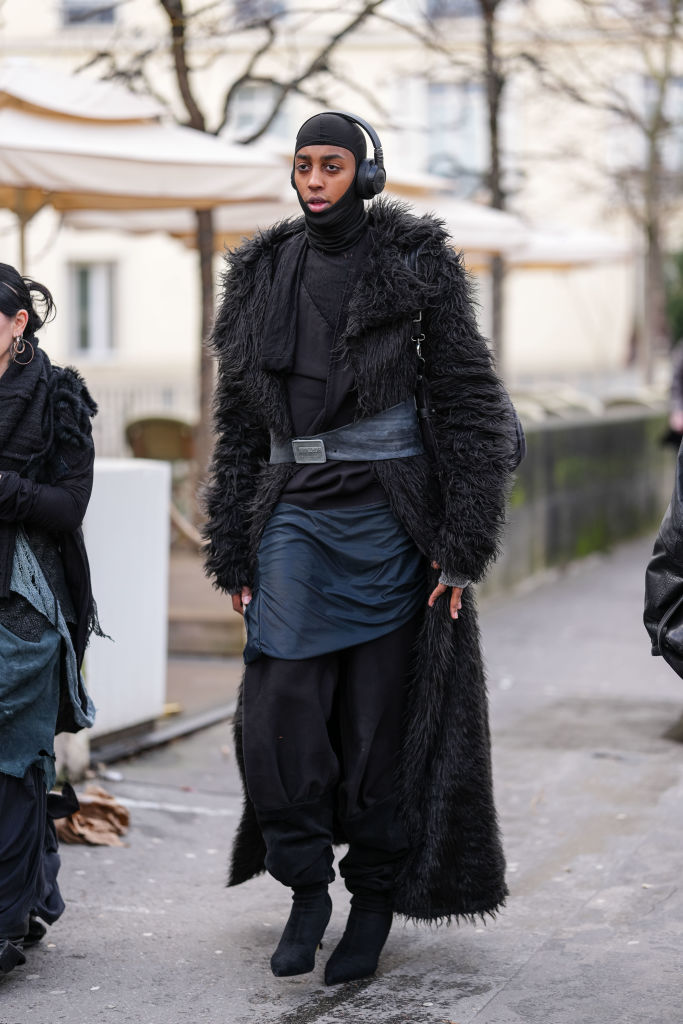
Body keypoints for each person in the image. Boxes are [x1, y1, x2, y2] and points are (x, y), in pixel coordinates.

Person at [204, 111, 519, 986]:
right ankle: (306, 885)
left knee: (382, 720)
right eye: (303, 164)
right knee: (280, 704)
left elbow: (468, 401)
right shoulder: (261, 269)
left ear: (365, 174)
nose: (313, 179)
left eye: (331, 165)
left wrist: (462, 545)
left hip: (389, 513)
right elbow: (238, 423)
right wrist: (232, 544)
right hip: (292, 511)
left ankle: (372, 899)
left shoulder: (416, 261)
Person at [0, 265, 100, 978]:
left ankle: (5, 921)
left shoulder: (57, 397)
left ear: (18, 323)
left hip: (26, 601)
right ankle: (37, 894)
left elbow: (68, 507)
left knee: (11, 761)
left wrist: (3, 489)